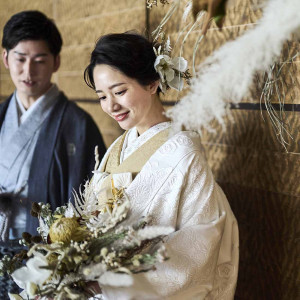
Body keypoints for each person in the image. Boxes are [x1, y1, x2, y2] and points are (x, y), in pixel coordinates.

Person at [84, 32, 239, 299]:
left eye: (119, 91)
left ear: (153, 82)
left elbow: (197, 245)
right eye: (102, 96)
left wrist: (113, 285)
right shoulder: (117, 148)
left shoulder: (183, 153)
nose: (111, 106)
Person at [0, 10, 106, 242]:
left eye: (39, 61)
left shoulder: (78, 126)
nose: (28, 71)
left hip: (44, 255)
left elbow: (95, 203)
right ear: (5, 58)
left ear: (56, 62)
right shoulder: (1, 115)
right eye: (20, 59)